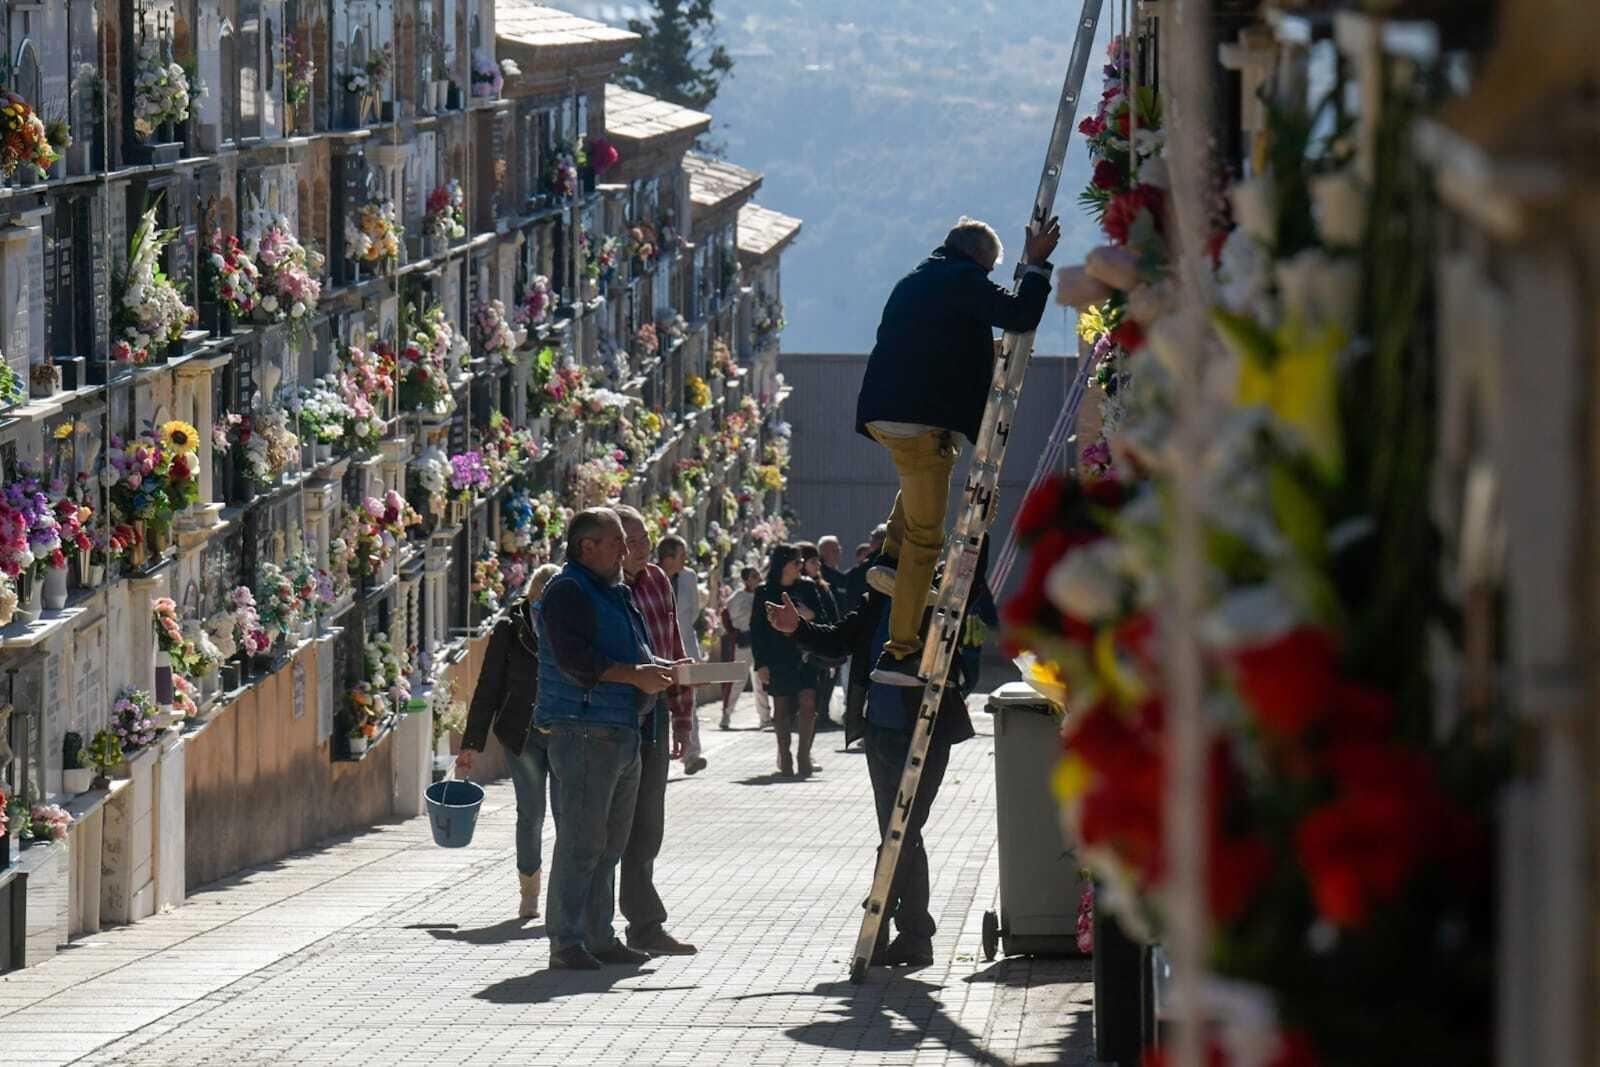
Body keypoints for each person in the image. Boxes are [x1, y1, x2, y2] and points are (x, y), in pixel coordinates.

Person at [855, 214, 1059, 685]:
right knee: (927, 539)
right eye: (989, 272)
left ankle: (889, 555)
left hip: (888, 412)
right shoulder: (963, 279)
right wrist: (1037, 266)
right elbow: (1019, 315)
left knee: (929, 472)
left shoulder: (920, 278)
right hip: (918, 421)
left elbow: (946, 340)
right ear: (978, 259)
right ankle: (899, 651)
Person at [763, 548, 985, 968]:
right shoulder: (880, 597)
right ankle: (913, 934)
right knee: (898, 833)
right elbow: (841, 640)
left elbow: (976, 574)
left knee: (904, 828)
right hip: (881, 731)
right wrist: (798, 630)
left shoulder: (945, 594)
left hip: (926, 730)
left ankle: (882, 920)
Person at [535, 507, 676, 970]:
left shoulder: (614, 592)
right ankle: (566, 939)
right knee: (581, 839)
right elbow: (576, 660)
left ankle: (598, 935)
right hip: (583, 729)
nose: (625, 549)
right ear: (586, 547)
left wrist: (659, 670)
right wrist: (637, 675)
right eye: (616, 541)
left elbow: (631, 651)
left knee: (610, 844)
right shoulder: (568, 590)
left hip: (620, 730)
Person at [613, 506, 700, 955]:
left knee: (647, 826)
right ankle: (592, 929)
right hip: (612, 717)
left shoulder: (656, 581)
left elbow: (674, 650)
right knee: (607, 829)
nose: (644, 546)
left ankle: (645, 925)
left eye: (646, 537)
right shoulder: (601, 587)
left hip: (653, 718)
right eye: (633, 540)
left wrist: (682, 718)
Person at [459, 562, 561, 920]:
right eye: (541, 602)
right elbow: (489, 685)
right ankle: (529, 893)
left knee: (567, 816)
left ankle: (563, 897)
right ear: (532, 596)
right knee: (531, 813)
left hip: (565, 731)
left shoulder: (571, 624)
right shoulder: (510, 628)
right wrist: (472, 742)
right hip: (522, 732)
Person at [748, 543, 822, 777]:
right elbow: (756, 629)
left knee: (808, 702)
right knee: (781, 709)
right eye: (796, 562)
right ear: (783, 564)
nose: (801, 566)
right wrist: (760, 663)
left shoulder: (808, 588)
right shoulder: (765, 591)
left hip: (806, 653)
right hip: (778, 656)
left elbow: (823, 616)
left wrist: (806, 614)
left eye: (802, 562)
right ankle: (785, 754)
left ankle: (803, 754)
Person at [657, 535, 706, 770]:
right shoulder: (651, 577)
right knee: (662, 700)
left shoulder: (689, 577)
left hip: (685, 644)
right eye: (681, 555)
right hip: (659, 649)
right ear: (667, 558)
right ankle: (664, 751)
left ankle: (692, 754)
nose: (686, 559)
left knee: (689, 698)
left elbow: (694, 611)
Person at [720, 566, 771, 730]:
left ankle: (765, 717)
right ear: (747, 579)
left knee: (761, 679)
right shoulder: (738, 597)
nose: (758, 578)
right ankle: (726, 714)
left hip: (760, 641)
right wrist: (734, 633)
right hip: (743, 641)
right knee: (738, 679)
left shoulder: (764, 594)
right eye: (754, 576)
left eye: (758, 574)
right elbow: (725, 614)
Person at [797, 541, 843, 727]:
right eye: (813, 561)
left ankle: (821, 716)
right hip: (803, 651)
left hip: (821, 645)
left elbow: (831, 616)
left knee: (823, 687)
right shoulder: (798, 589)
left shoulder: (823, 587)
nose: (818, 566)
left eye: (818, 561)